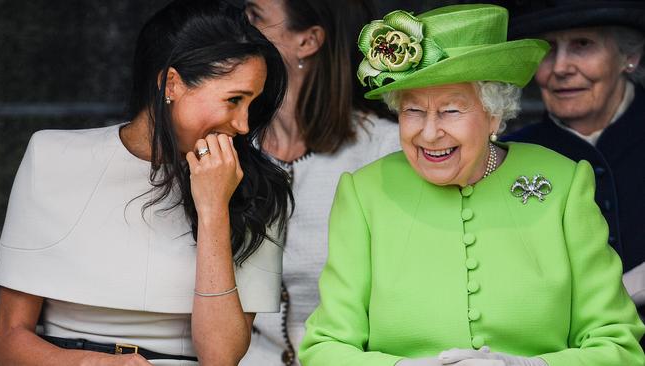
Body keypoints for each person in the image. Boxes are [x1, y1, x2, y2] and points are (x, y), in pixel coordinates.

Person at [299, 4, 645, 366]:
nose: (429, 133)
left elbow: (616, 344)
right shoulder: (364, 193)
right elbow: (325, 348)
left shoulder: (564, 183)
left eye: (450, 111)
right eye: (413, 111)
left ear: (494, 114)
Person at [0, 0, 291, 365]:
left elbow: (221, 357)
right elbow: (8, 341)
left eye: (252, 104)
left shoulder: (257, 187)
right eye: (233, 100)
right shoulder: (51, 157)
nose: (244, 125)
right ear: (172, 84)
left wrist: (214, 208)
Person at [239, 1, 399, 365]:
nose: (237, 26)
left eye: (255, 17)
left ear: (308, 41)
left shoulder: (385, 149)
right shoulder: (230, 145)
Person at [496, 0, 645, 315]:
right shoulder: (505, 157)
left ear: (629, 56)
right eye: (548, 49)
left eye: (582, 45)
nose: (561, 67)